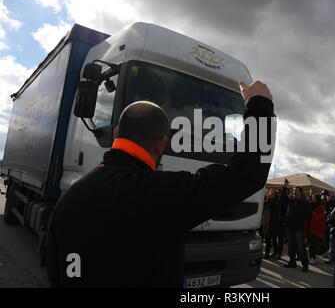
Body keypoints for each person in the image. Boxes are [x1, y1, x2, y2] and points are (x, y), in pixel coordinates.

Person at [45, 80, 275, 287]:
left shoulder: (69, 199)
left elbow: (56, 272)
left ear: (117, 133)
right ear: (161, 143)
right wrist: (259, 107)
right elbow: (247, 174)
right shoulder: (164, 194)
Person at [281, 179, 312, 271]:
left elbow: (309, 215)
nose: (294, 192)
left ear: (301, 193)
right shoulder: (291, 201)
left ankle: (305, 266)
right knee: (290, 247)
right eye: (293, 191)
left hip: (299, 229)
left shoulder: (305, 203)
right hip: (290, 227)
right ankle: (292, 262)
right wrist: (285, 186)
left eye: (296, 191)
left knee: (301, 248)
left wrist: (302, 222)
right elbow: (283, 197)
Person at [264, 189, 283, 259]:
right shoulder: (268, 201)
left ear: (275, 195)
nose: (270, 194)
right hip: (268, 222)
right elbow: (265, 207)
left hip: (274, 223)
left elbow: (274, 206)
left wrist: (268, 199)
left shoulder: (277, 201)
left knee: (272, 239)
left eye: (271, 193)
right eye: (270, 192)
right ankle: (272, 253)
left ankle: (268, 254)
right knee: (270, 239)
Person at [306, 194, 325, 264]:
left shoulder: (320, 207)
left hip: (316, 228)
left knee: (314, 244)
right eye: (312, 198)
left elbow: (320, 217)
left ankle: (313, 257)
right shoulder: (310, 205)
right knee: (310, 244)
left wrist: (312, 212)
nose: (312, 199)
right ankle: (311, 257)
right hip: (309, 226)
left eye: (314, 198)